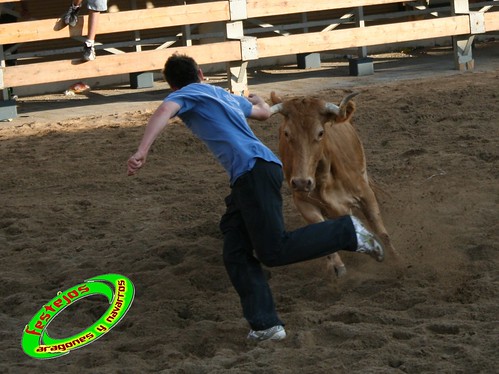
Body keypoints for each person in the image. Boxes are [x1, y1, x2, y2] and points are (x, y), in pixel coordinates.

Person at [127, 54, 385, 342]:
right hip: (256, 172)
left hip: (253, 174)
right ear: (200, 72)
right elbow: (262, 114)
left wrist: (142, 149)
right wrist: (259, 100)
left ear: (173, 86)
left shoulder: (184, 95)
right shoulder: (220, 94)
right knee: (235, 251)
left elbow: (164, 111)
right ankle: (265, 325)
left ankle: (348, 231)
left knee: (273, 250)